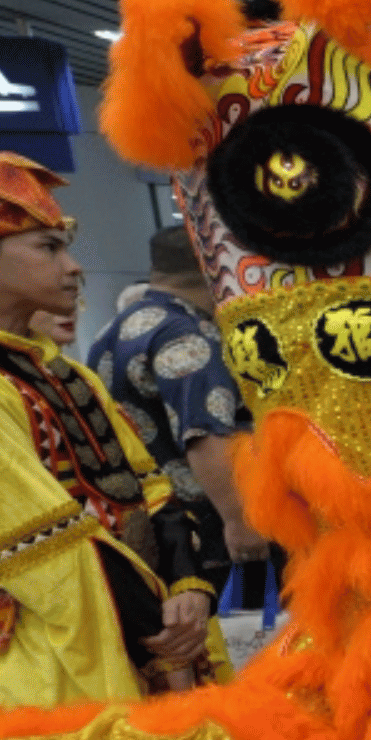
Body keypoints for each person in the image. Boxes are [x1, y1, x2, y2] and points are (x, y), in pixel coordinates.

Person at [0, 153, 228, 710]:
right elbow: (40, 546)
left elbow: (147, 485)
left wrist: (190, 590)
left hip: (154, 630)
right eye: (49, 247)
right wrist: (163, 629)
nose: (74, 267)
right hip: (60, 660)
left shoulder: (58, 367)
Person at [87, 226, 269, 575]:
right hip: (205, 526)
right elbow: (204, 434)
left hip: (150, 519)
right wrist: (238, 517)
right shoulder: (188, 335)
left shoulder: (117, 328)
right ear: (218, 268)